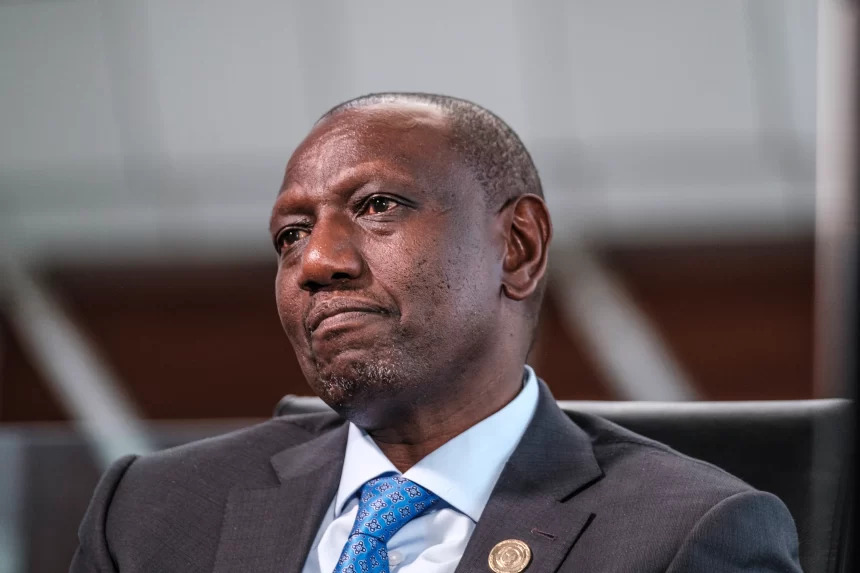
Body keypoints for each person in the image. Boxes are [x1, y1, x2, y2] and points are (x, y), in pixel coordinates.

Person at [71, 94, 801, 573]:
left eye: (378, 205)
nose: (315, 262)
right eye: (291, 234)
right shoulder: (151, 513)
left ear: (517, 248)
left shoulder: (686, 536)